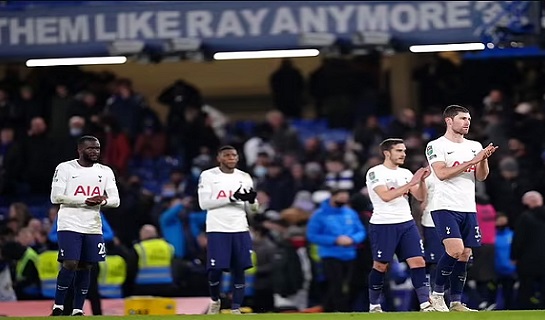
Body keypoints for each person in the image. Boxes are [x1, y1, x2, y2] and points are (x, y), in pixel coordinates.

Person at [425, 105, 497, 312]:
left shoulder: (474, 145)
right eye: (463, 118)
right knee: (455, 250)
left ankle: (456, 302)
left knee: (465, 254)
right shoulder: (436, 145)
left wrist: (482, 160)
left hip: (468, 206)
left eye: (469, 119)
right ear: (449, 121)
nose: (467, 122)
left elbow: (481, 176)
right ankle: (437, 295)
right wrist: (472, 161)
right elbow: (441, 173)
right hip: (444, 205)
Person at [49, 135, 120, 316]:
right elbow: (55, 197)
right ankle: (58, 305)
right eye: (90, 148)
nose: (95, 151)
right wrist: (85, 201)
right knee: (71, 263)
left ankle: (78, 310)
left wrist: (101, 202)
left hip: (92, 225)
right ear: (80, 150)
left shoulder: (105, 171)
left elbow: (116, 200)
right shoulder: (65, 168)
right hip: (69, 222)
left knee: (86, 265)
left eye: (97, 148)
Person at [365, 138, 436, 313]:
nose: (403, 154)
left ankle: (425, 304)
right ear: (387, 153)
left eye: (404, 151)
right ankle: (374, 305)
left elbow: (419, 197)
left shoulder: (405, 173)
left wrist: (421, 182)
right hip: (383, 224)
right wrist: (411, 183)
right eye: (399, 151)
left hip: (406, 222)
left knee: (418, 261)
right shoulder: (375, 172)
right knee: (381, 265)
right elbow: (386, 196)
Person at [197, 145, 259, 314]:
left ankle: (236, 308)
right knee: (215, 270)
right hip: (217, 228)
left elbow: (253, 209)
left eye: (234, 155)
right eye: (227, 155)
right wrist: (231, 198)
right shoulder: (208, 175)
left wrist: (252, 201)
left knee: (239, 268)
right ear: (219, 158)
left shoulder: (244, 177)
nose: (231, 158)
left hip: (240, 227)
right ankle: (215, 300)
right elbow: (204, 204)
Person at [306, 188, 366, 312]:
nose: (344, 200)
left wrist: (352, 239)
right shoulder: (319, 215)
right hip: (330, 254)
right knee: (336, 284)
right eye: (341, 197)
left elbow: (361, 231)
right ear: (333, 197)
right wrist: (334, 240)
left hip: (349, 254)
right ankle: (341, 311)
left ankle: (328, 309)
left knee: (349, 285)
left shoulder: (350, 213)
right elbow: (312, 235)